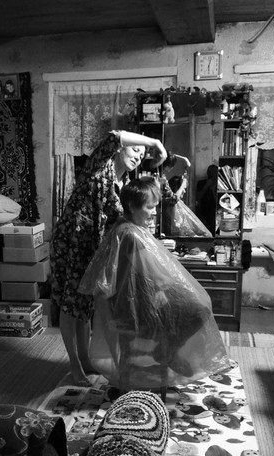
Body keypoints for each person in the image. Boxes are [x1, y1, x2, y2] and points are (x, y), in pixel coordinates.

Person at [79, 178, 229, 392]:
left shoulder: (124, 227)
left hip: (132, 303)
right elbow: (157, 276)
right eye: (149, 207)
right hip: (134, 309)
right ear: (132, 206)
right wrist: (171, 288)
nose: (154, 212)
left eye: (155, 207)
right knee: (200, 307)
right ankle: (168, 351)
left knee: (193, 303)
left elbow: (151, 274)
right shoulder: (131, 236)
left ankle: (167, 351)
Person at [50, 130, 168, 386]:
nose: (138, 156)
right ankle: (74, 365)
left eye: (142, 155)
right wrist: (154, 143)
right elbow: (114, 136)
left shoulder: (122, 185)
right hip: (70, 244)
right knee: (70, 306)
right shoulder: (99, 167)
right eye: (135, 149)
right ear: (120, 149)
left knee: (84, 307)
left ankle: (85, 359)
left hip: (92, 249)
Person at [196, 164, 219, 234]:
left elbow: (217, 201)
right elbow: (198, 198)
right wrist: (206, 185)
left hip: (215, 212)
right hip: (204, 211)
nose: (212, 175)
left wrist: (213, 189)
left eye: (214, 172)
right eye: (210, 172)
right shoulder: (201, 183)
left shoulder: (219, 185)